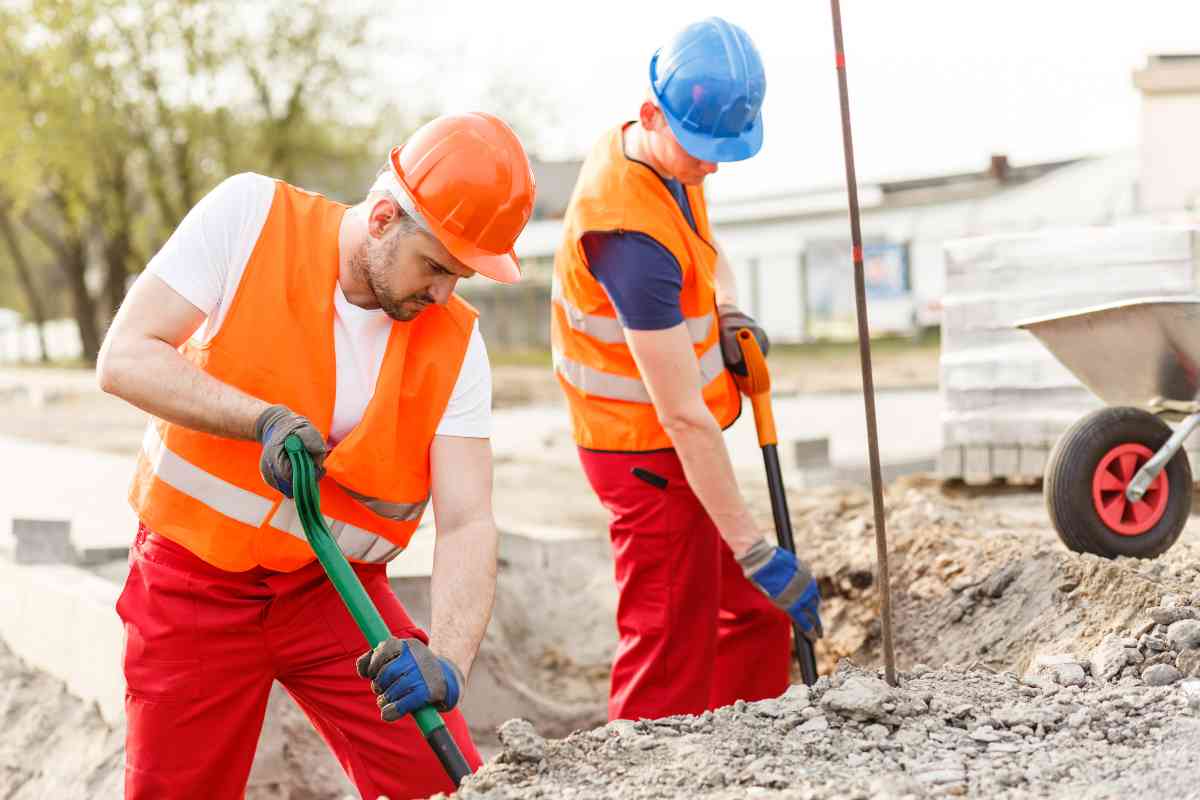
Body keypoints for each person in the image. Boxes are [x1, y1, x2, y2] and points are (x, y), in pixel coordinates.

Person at [97, 112, 535, 799]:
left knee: (441, 783)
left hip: (333, 592)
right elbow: (124, 357)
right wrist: (258, 420)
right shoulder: (249, 218)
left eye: (462, 277)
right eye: (436, 267)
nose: (445, 294)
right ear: (385, 217)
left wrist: (446, 661)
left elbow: (468, 521)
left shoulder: (456, 347)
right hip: (192, 586)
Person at [551, 17, 823, 722]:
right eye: (705, 150)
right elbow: (680, 414)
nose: (714, 166)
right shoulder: (626, 235)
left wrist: (727, 310)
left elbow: (707, 253)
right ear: (651, 114)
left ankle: (747, 748)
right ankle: (643, 771)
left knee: (757, 615)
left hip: (679, 446)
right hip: (644, 456)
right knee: (670, 645)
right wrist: (754, 548)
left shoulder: (667, 160)